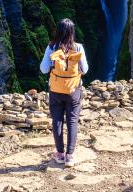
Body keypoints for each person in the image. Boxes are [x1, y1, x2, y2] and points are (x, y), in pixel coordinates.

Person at [40, 18, 88, 167]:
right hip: (73, 90)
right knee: (72, 121)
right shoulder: (78, 48)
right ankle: (70, 156)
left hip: (56, 90)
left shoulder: (52, 47)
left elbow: (43, 69)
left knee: (57, 121)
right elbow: (85, 70)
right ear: (72, 32)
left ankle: (60, 154)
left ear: (58, 31)